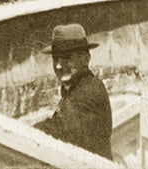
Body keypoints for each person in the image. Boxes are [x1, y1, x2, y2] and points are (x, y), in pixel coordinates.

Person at [35, 23, 113, 160]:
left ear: (86, 58)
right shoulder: (74, 86)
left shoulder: (90, 90)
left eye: (67, 58)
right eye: (56, 59)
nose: (58, 65)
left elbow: (59, 129)